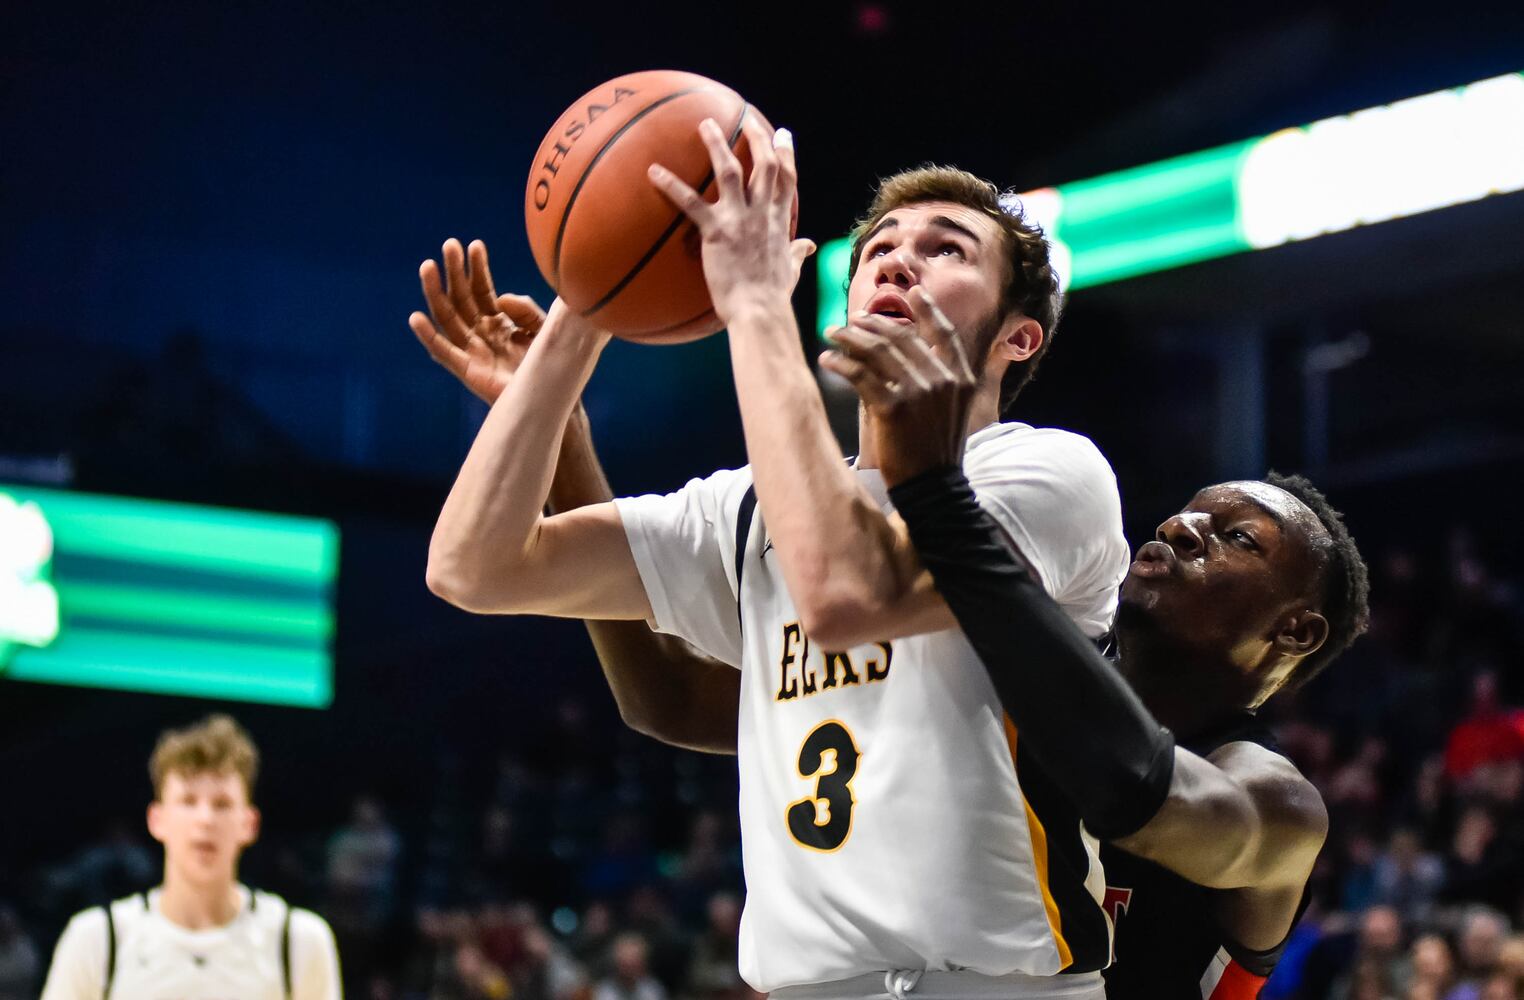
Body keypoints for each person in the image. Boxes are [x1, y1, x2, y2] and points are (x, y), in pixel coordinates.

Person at [415, 118, 1128, 998]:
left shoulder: (1046, 472)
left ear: (1021, 337)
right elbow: (473, 568)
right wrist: (577, 327)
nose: (900, 262)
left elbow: (845, 591)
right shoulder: (748, 506)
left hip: (995, 985)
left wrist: (754, 306)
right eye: (881, 249)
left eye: (948, 251)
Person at [40, 715, 342, 999]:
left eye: (222, 804)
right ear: (156, 820)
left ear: (249, 824)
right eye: (188, 801)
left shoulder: (298, 941)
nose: (205, 820)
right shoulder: (97, 939)